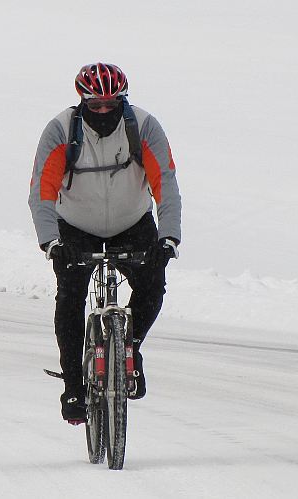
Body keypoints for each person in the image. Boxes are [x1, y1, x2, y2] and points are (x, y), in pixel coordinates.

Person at [28, 63, 182, 423]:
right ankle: (73, 385)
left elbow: (167, 184)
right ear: (82, 101)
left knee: (153, 285)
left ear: (122, 102)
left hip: (133, 222)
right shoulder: (61, 130)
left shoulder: (143, 127)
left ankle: (131, 347)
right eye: (94, 105)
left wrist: (169, 237)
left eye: (110, 105)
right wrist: (51, 241)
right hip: (76, 226)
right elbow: (41, 191)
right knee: (70, 296)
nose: (102, 112)